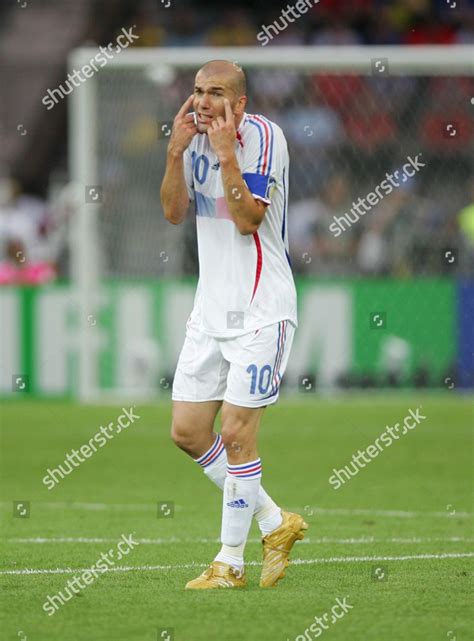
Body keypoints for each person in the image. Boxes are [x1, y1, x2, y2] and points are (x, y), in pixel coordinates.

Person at [160, 60, 307, 590]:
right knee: (187, 432)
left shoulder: (265, 137)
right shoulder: (191, 139)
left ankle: (229, 564)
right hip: (210, 311)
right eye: (197, 91)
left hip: (261, 312)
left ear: (239, 103)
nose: (202, 101)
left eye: (215, 92)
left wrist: (225, 154)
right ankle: (275, 521)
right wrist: (176, 152)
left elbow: (248, 222)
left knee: (237, 434)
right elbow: (175, 213)